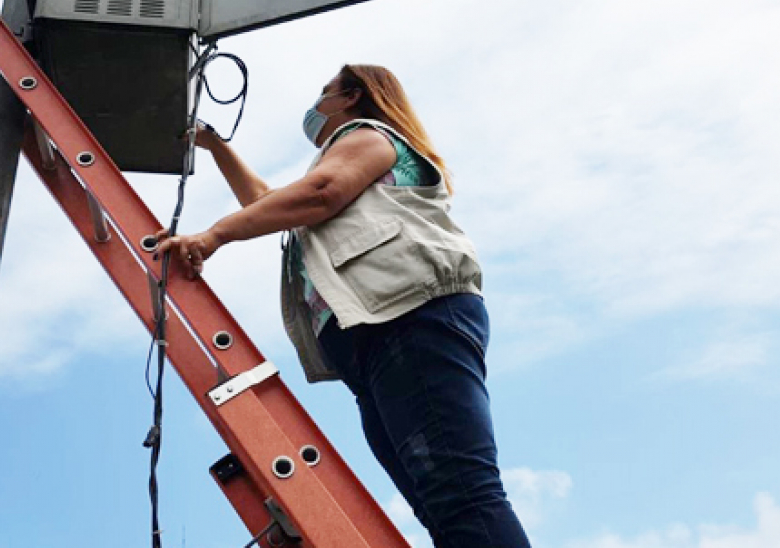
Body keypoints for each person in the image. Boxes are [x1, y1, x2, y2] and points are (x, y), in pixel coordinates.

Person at [155, 65, 532, 548]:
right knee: (438, 502)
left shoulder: (368, 135)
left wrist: (213, 236)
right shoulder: (342, 161)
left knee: (459, 494)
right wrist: (217, 146)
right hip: (379, 338)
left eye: (324, 92)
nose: (316, 103)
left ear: (351, 98)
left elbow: (319, 194)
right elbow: (272, 202)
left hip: (409, 319)